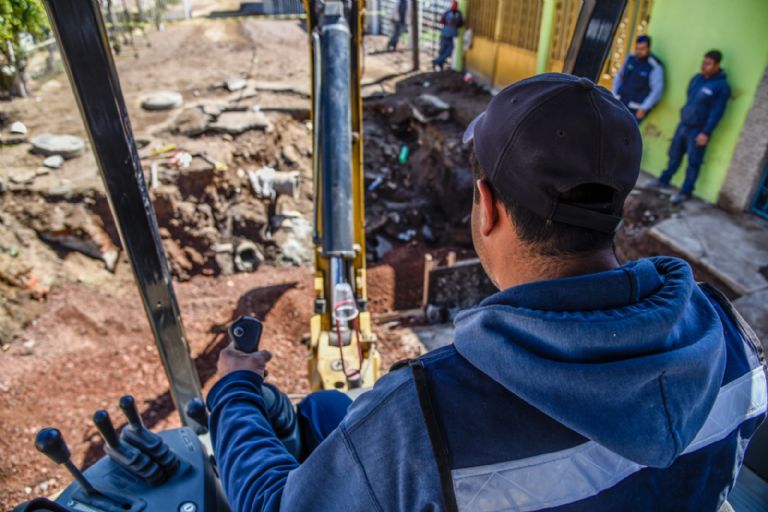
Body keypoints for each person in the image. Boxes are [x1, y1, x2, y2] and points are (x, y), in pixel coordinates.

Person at [207, 74, 766, 511]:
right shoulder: (729, 334)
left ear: (487, 204)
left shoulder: (423, 415)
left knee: (328, 413)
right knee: (330, 406)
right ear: (618, 205)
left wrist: (232, 390)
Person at [650, 50, 731, 203]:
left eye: (708, 64)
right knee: (674, 155)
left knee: (693, 162)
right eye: (703, 62)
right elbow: (690, 98)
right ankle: (663, 180)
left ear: (717, 65)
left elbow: (717, 112)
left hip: (699, 130)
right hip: (683, 125)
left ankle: (686, 191)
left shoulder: (721, 86)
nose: (704, 66)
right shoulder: (697, 79)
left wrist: (705, 132)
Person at [612, 35, 664, 123]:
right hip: (620, 102)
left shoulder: (654, 66)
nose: (639, 51)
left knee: (624, 135)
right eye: (637, 48)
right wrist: (613, 94)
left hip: (635, 109)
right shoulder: (630, 59)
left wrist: (644, 107)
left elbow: (657, 90)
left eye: (642, 49)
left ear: (648, 48)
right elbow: (619, 77)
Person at [432, 1, 463, 71]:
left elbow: (461, 23)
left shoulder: (458, 14)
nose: (454, 6)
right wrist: (448, 22)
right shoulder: (447, 12)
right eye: (453, 5)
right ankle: (439, 63)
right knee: (442, 50)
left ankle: (437, 61)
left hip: (451, 36)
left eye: (455, 5)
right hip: (444, 35)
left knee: (449, 50)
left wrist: (455, 22)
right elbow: (441, 21)